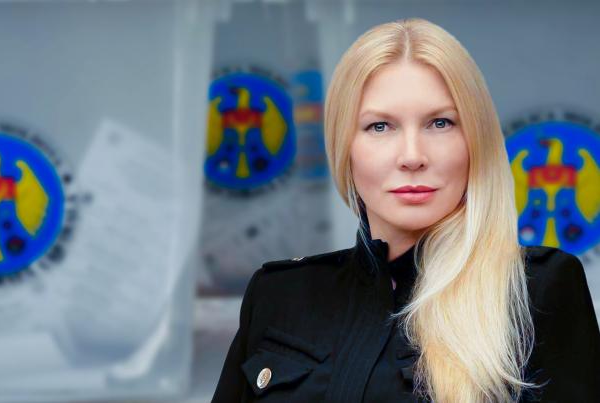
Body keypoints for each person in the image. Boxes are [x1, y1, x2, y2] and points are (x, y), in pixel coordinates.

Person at [211, 17, 600, 403]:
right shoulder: (278, 293)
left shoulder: (538, 290)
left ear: (475, 142)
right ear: (344, 146)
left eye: (440, 123)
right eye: (380, 127)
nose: (412, 156)